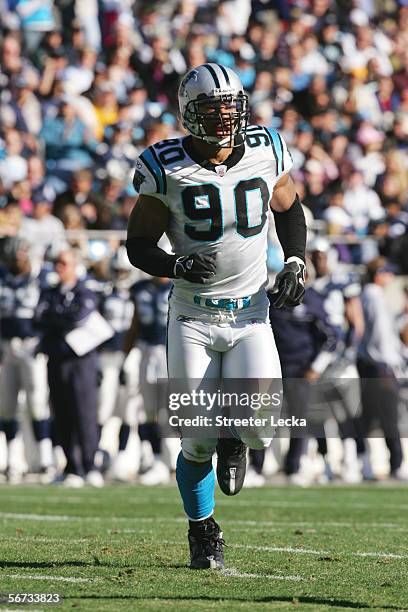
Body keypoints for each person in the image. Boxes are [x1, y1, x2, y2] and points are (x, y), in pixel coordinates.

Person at [126, 64, 306, 569]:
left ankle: (236, 439)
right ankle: (202, 529)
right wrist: (174, 263)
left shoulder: (267, 149)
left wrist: (295, 258)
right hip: (192, 316)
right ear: (189, 114)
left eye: (231, 107)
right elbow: (138, 244)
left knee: (259, 430)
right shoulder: (167, 165)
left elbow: (290, 209)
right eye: (212, 109)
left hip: (251, 313)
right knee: (197, 437)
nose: (226, 120)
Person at [34, 249, 103, 487]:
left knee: (84, 412)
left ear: (75, 266)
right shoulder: (49, 292)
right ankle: (71, 466)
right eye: (58, 263)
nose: (60, 268)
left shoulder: (85, 291)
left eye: (65, 263)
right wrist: (60, 318)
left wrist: (55, 319)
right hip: (56, 358)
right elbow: (37, 319)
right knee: (61, 414)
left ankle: (90, 465)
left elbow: (78, 317)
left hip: (81, 361)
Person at [0, 239, 53, 482]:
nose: (19, 261)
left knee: (37, 402)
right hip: (5, 345)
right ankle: (10, 460)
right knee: (6, 405)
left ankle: (44, 460)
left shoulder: (41, 277)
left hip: (32, 346)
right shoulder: (3, 276)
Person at [357, 257, 407, 480]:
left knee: (374, 416)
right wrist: (388, 365)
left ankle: (365, 461)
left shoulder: (373, 294)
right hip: (379, 365)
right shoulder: (373, 294)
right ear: (379, 273)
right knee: (387, 416)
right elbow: (379, 335)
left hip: (376, 364)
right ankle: (395, 463)